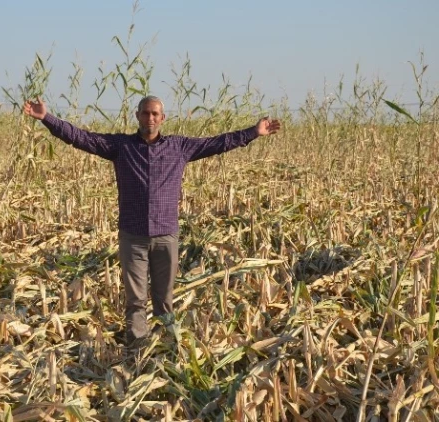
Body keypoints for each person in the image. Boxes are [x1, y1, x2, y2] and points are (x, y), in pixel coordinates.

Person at [23, 95, 281, 348]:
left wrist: (253, 132)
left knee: (164, 297)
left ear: (163, 118)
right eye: (145, 113)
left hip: (165, 234)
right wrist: (47, 118)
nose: (150, 117)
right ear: (137, 116)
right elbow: (80, 137)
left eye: (155, 113)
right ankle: (138, 347)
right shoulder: (121, 146)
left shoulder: (179, 147)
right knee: (135, 299)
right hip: (133, 235)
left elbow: (218, 142)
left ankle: (167, 344)